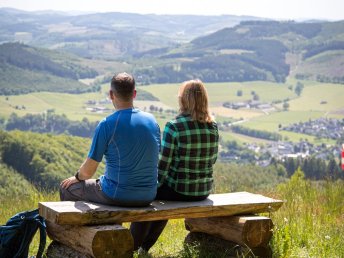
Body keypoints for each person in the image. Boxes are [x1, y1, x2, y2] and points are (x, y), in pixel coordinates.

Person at [130, 79, 219, 251]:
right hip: (202, 191)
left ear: (183, 100)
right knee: (162, 197)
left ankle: (131, 248)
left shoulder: (174, 127)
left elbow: (163, 167)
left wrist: (148, 189)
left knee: (151, 197)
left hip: (179, 190)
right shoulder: (212, 126)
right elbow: (212, 160)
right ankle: (144, 248)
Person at [60, 72, 161, 207]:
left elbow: (88, 172)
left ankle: (80, 228)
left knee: (67, 188)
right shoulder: (152, 121)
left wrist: (77, 177)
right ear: (134, 93)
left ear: (111, 94)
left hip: (118, 194)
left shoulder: (107, 124)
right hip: (149, 195)